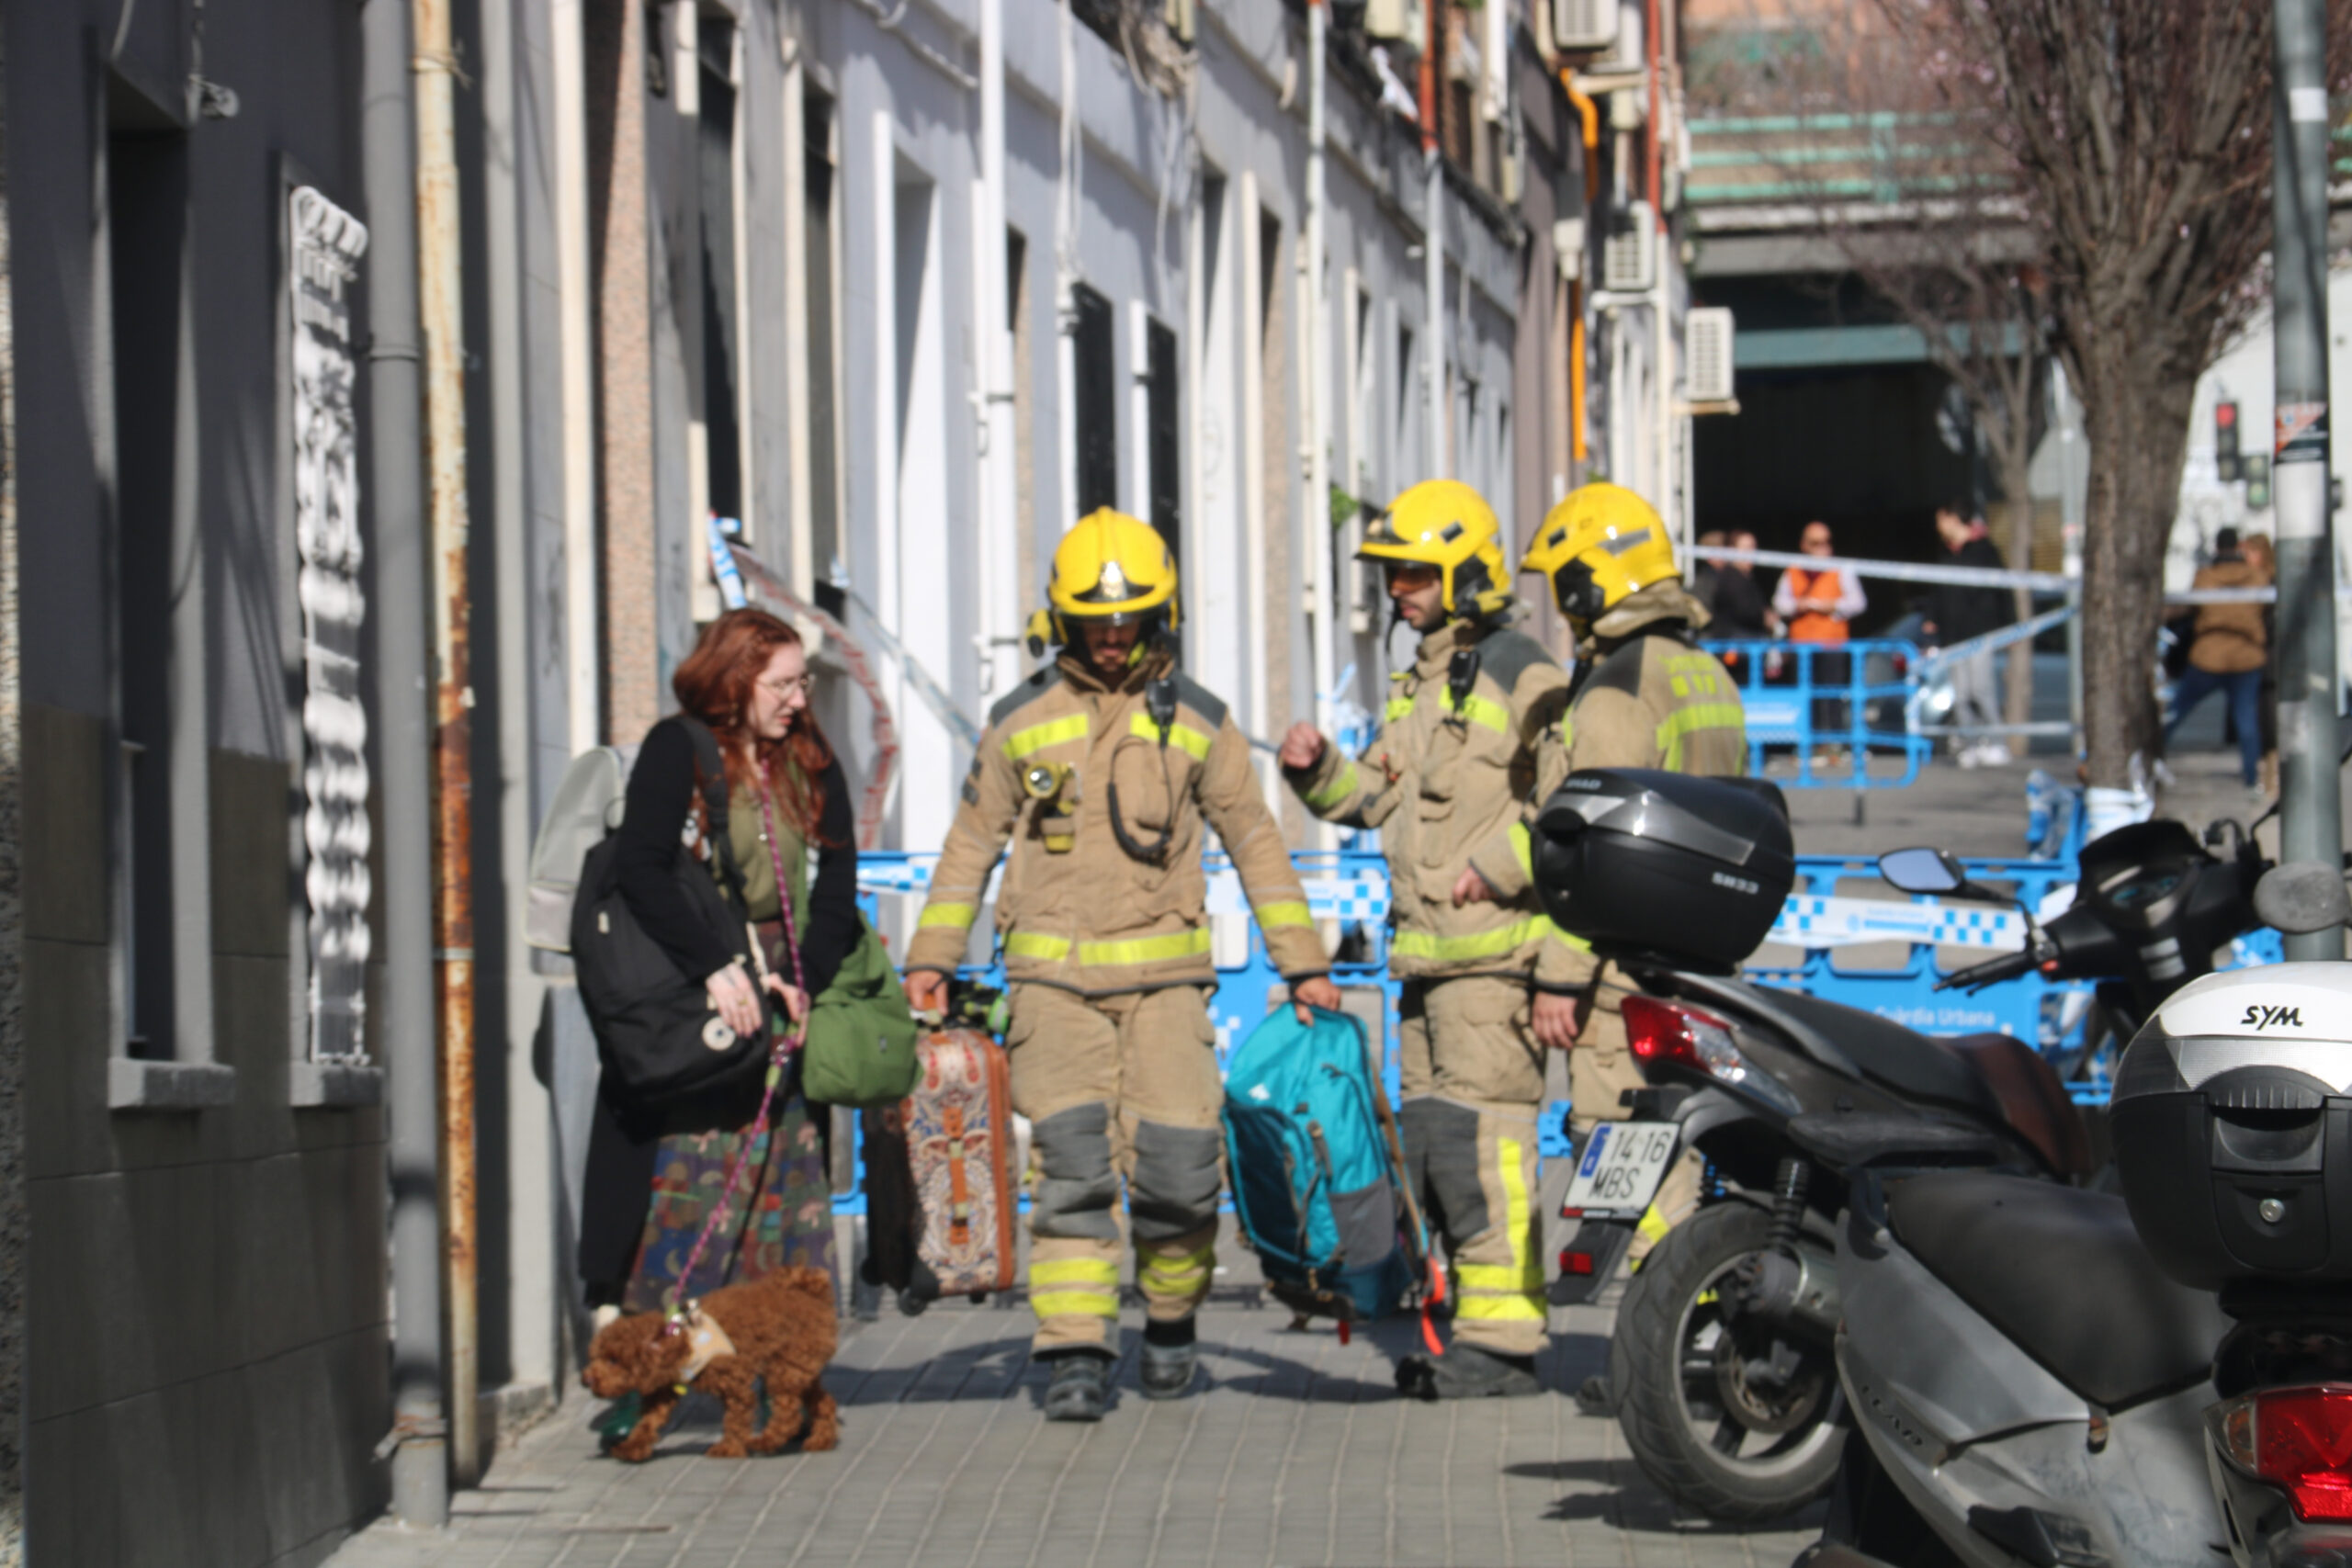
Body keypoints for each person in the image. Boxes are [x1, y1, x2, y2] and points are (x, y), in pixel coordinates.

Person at [902, 510, 1340, 1423]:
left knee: (1181, 1172)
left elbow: (1257, 843)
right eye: (1095, 621)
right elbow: (968, 846)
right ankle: (1075, 1347)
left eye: (1129, 619)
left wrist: (1301, 964)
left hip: (1166, 991)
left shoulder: (1200, 723)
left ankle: (1171, 1321)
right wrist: (932, 958)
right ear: (1063, 619)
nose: (1111, 637)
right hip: (1052, 992)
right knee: (1071, 1173)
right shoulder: (1018, 724)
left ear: (1158, 616)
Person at [1278, 479, 1577, 1401]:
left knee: (1490, 1153)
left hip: (1492, 966)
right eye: (1391, 571)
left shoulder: (1526, 673)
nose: (1396, 589)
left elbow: (1566, 811)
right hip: (1424, 968)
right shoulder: (1420, 682)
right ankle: (1470, 1319)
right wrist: (1314, 769)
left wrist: (1499, 866)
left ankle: (1507, 1341)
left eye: (1411, 571)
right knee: (1442, 1154)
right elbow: (1368, 800)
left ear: (1462, 573)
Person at [579, 608, 859, 1324]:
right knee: (678, 1190)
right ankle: (644, 1364)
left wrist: (805, 979)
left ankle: (779, 1369)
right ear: (736, 681)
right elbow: (641, 867)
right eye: (784, 684)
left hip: (782, 995)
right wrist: (718, 968)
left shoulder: (809, 755)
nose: (801, 700)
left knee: (780, 1197)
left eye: (803, 683)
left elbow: (838, 882)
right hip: (693, 997)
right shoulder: (681, 748)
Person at [2165, 527, 2268, 792]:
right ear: (2238, 548)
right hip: (2246, 658)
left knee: (2175, 713)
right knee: (2246, 721)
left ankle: (2151, 757)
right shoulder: (2257, 578)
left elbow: (2187, 609)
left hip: (2208, 658)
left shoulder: (2205, 578)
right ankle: (2251, 776)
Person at [1920, 501, 2016, 769]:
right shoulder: (1945, 552)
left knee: (1981, 690)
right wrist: (1931, 617)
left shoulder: (1984, 549)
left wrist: (2010, 625)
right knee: (1960, 695)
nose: (1938, 527)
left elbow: (2004, 590)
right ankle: (1971, 746)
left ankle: (1997, 743)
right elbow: (1938, 589)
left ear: (1953, 518)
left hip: (1979, 633)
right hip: (1952, 636)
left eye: (1941, 519)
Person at [1773, 521, 1865, 765]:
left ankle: (1835, 745)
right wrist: (1797, 605)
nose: (1822, 548)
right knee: (1806, 697)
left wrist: (1832, 606)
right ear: (1804, 545)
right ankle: (1809, 745)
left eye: (1826, 542)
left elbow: (1858, 602)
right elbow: (1779, 603)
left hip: (1832, 645)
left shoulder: (1841, 568)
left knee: (1832, 695)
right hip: (1802, 647)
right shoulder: (1792, 571)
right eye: (1815, 543)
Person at [2241, 533, 2279, 794]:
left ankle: (2271, 775)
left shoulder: (2270, 581)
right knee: (2258, 718)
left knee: (2269, 718)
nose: (2245, 559)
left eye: (2250, 553)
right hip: (2256, 658)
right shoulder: (2251, 581)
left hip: (2271, 658)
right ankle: (2264, 774)